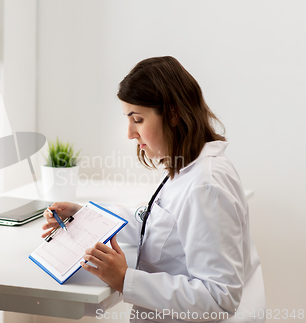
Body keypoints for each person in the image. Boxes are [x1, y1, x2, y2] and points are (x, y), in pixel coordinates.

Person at [42, 56, 266, 322]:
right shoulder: (185, 168)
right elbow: (155, 223)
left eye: (137, 119)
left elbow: (219, 300)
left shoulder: (206, 185)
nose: (130, 133)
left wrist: (126, 280)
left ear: (173, 114)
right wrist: (86, 215)